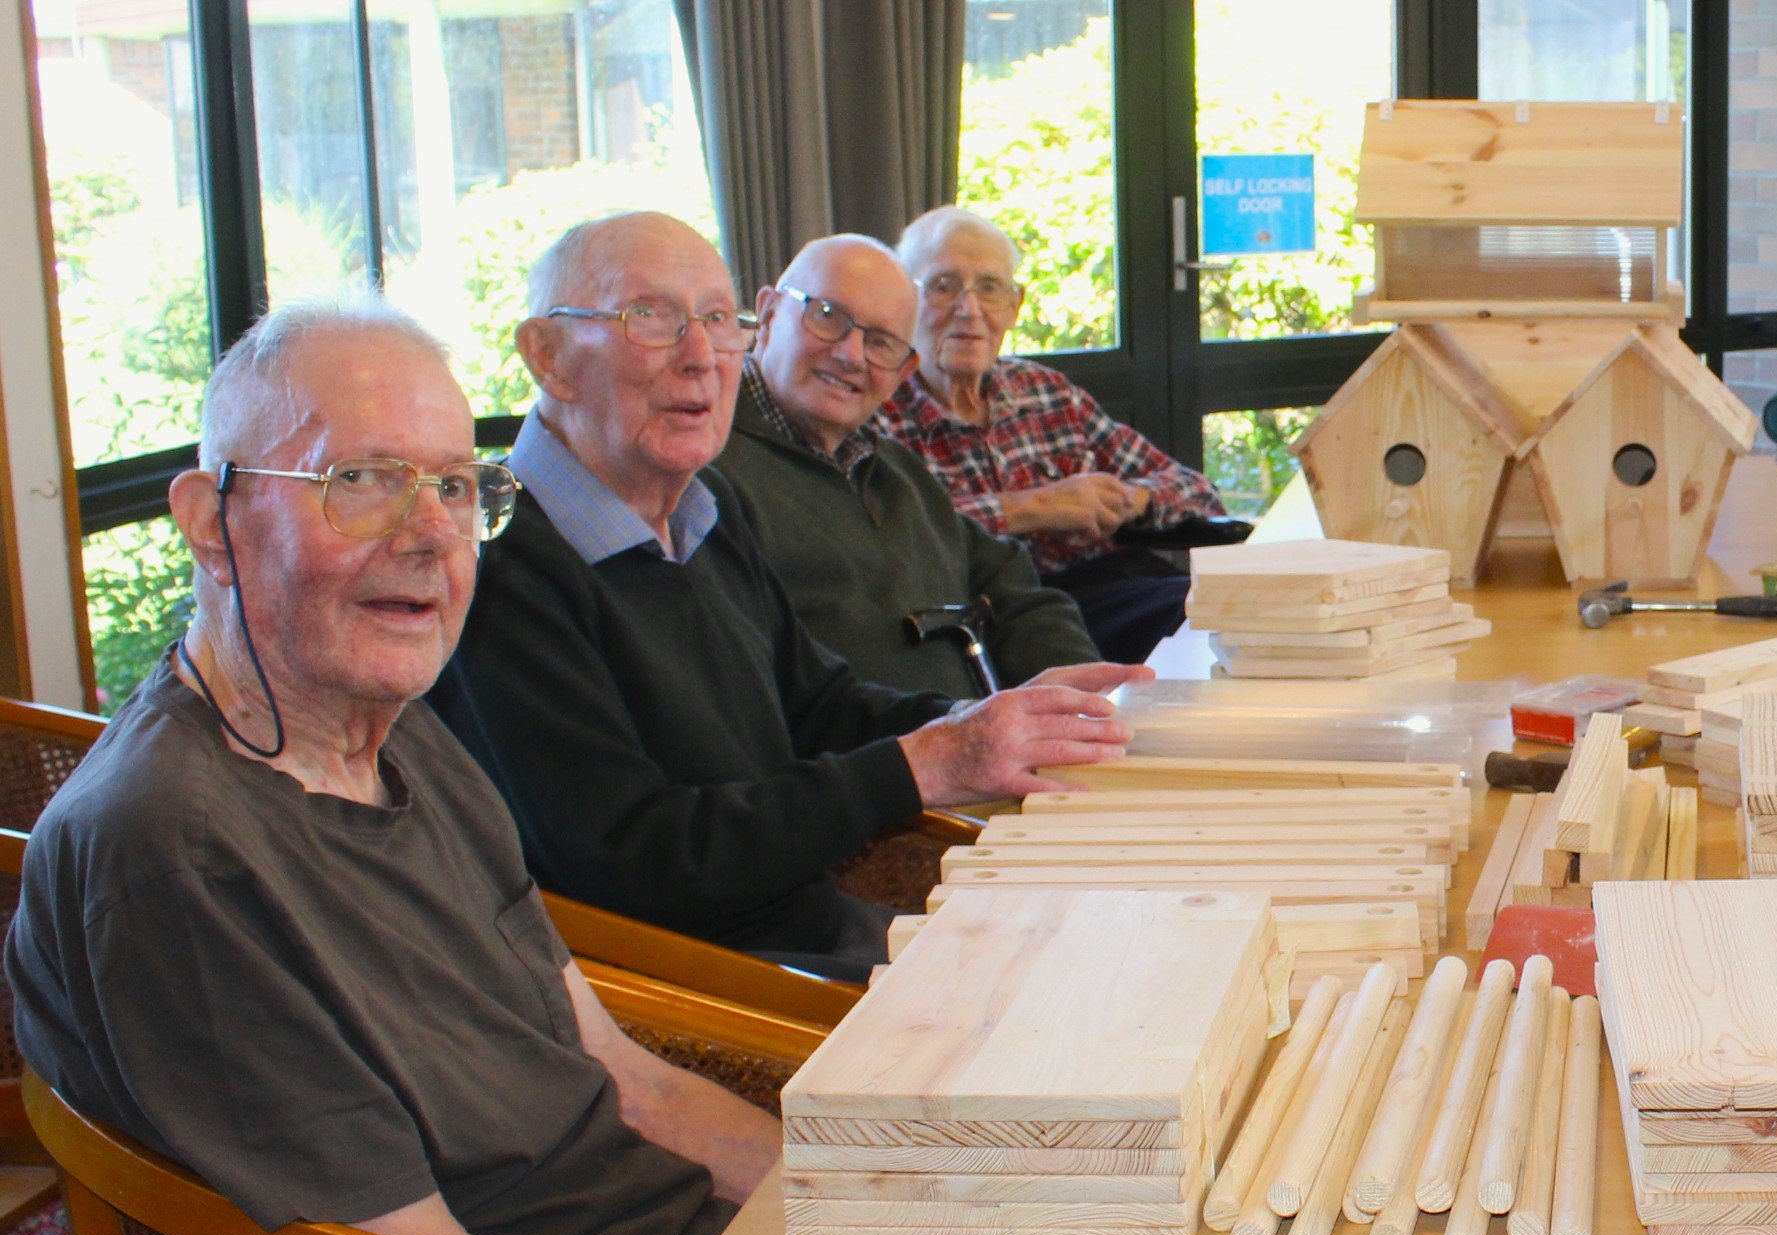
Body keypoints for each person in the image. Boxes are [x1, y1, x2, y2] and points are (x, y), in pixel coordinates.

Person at [7, 297, 1216, 1235]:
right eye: (360, 479)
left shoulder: (398, 734)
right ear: (208, 516)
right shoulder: (174, 848)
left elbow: (624, 1075)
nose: (430, 536)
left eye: (456, 486)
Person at [430, 211, 1150, 975]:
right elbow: (639, 863)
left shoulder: (704, 508)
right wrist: (922, 764)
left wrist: (981, 722)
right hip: (713, 984)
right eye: (651, 318)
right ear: (548, 357)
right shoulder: (495, 569)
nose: (702, 356)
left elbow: (816, 702)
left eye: (715, 318)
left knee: (1129, 928)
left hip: (818, 917)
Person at [712, 232, 1102, 697]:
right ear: (769, 313)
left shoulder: (892, 468)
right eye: (828, 316)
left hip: (976, 746)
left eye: (881, 342)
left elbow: (1009, 582)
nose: (850, 355)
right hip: (871, 760)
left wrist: (1074, 690)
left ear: (902, 371)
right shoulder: (705, 470)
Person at [878, 206, 1227, 661]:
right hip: (989, 620)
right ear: (905, 302)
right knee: (1207, 624)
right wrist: (1034, 508)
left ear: (1015, 305)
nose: (970, 310)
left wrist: (1127, 499)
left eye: (990, 288)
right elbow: (892, 540)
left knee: (1241, 613)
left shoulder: (1045, 392)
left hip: (1115, 588)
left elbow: (1199, 493)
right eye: (944, 286)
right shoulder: (878, 409)